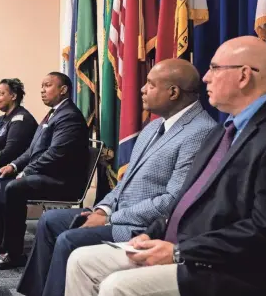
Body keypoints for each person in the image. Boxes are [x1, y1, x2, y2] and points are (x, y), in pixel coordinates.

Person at [64, 36, 266, 296]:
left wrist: (180, 252)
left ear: (244, 76)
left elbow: (260, 229)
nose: (205, 77)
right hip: (179, 245)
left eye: (215, 68)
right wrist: (152, 233)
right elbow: (184, 200)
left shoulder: (255, 135)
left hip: (223, 264)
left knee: (117, 287)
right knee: (82, 260)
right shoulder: (224, 131)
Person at [17, 59, 217, 296]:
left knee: (69, 240)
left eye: (150, 84)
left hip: (142, 226)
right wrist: (103, 209)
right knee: (49, 221)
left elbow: (171, 201)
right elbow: (126, 182)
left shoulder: (200, 131)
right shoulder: (154, 127)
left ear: (173, 92)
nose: (142, 89)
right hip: (118, 214)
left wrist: (110, 219)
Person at [0, 72, 90, 270]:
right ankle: (3, 242)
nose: (42, 90)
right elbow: (32, 150)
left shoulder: (69, 116)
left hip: (63, 181)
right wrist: (14, 166)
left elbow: (55, 154)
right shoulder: (53, 113)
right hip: (48, 175)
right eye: (42, 86)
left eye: (48, 85)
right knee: (2, 179)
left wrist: (25, 172)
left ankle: (14, 254)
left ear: (63, 90)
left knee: (14, 187)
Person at [0, 78, 38, 253]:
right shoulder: (1, 119)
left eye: (1, 93)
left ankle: (1, 239)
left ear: (13, 96)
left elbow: (11, 151)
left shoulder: (21, 119)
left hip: (16, 170)